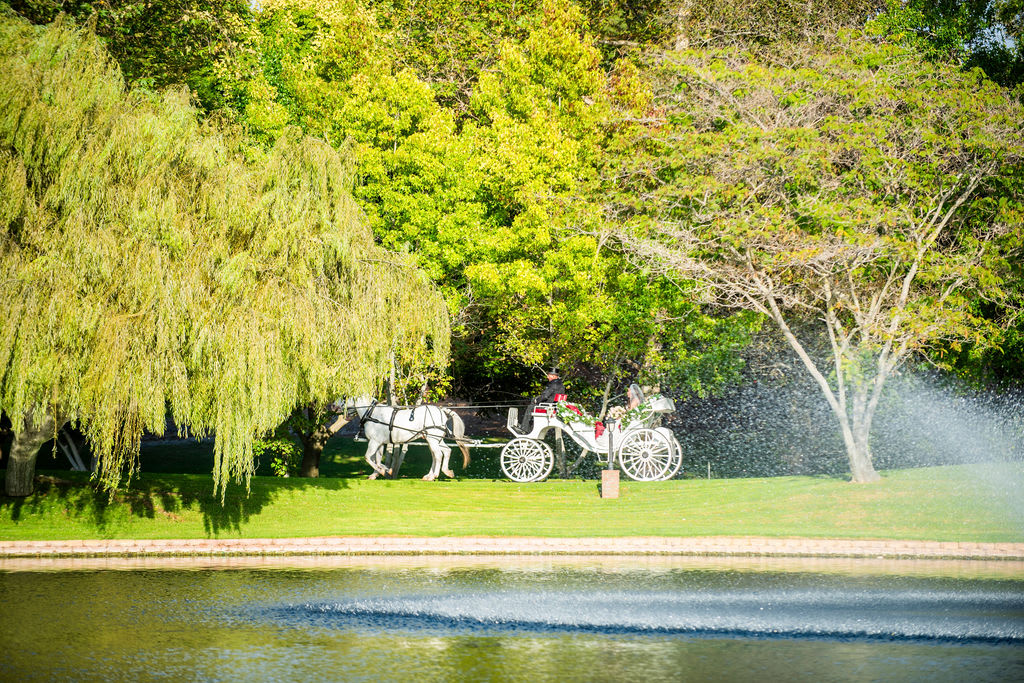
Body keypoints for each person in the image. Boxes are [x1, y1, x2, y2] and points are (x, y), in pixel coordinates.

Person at [519, 368, 566, 432]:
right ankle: (529, 428)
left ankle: (524, 428)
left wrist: (537, 400)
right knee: (533, 405)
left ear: (553, 376)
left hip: (547, 406)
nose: (547, 377)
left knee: (530, 407)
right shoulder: (561, 384)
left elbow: (545, 396)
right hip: (553, 406)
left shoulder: (553, 384)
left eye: (548, 375)